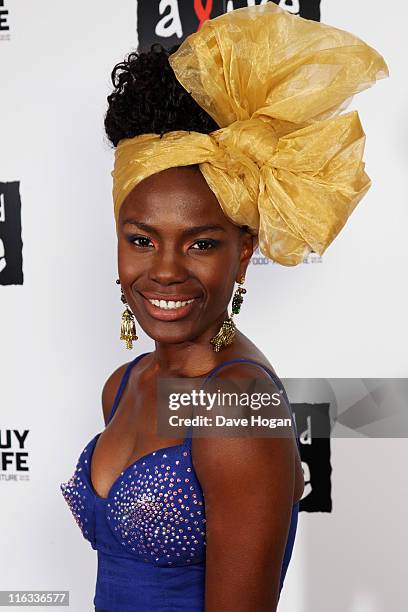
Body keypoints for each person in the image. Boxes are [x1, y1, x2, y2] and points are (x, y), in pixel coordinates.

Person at [60, 4, 388, 611]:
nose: (163, 269)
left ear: (243, 254)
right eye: (140, 239)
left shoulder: (236, 408)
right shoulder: (125, 385)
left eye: (201, 243)